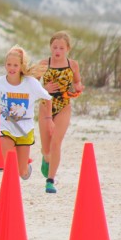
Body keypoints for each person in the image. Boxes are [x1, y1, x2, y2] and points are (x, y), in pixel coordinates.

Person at [0, 46, 51, 185]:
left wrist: (48, 119)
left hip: (25, 129)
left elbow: (48, 98)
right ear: (5, 65)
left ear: (21, 66)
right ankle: (11, 190)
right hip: (6, 127)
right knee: (9, 164)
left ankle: (26, 169)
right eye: (9, 64)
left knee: (22, 172)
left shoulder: (31, 83)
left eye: (15, 65)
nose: (11, 68)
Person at [38, 31, 84, 193]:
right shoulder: (44, 64)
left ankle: (50, 181)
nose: (57, 51)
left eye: (61, 48)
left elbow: (77, 82)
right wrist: (44, 88)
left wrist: (78, 87)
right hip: (46, 106)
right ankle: (46, 158)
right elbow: (31, 86)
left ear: (68, 49)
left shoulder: (73, 65)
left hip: (64, 105)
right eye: (55, 47)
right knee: (46, 149)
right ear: (50, 47)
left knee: (56, 143)